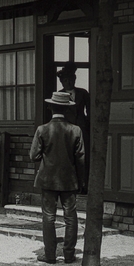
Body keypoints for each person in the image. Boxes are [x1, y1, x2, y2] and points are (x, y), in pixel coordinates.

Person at [29, 90, 86, 264]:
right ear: (68, 109)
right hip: (69, 180)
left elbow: (33, 156)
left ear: (50, 108)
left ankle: (50, 255)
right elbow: (81, 158)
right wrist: (81, 180)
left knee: (48, 216)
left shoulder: (42, 129)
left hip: (47, 179)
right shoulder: (75, 130)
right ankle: (69, 254)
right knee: (70, 216)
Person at [56, 63, 90, 192]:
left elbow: (90, 110)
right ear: (62, 82)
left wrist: (86, 122)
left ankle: (83, 185)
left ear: (75, 80)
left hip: (81, 129)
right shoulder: (59, 94)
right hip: (66, 130)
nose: (69, 82)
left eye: (71, 79)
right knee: (68, 156)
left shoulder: (83, 93)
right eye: (65, 80)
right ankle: (69, 185)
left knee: (82, 156)